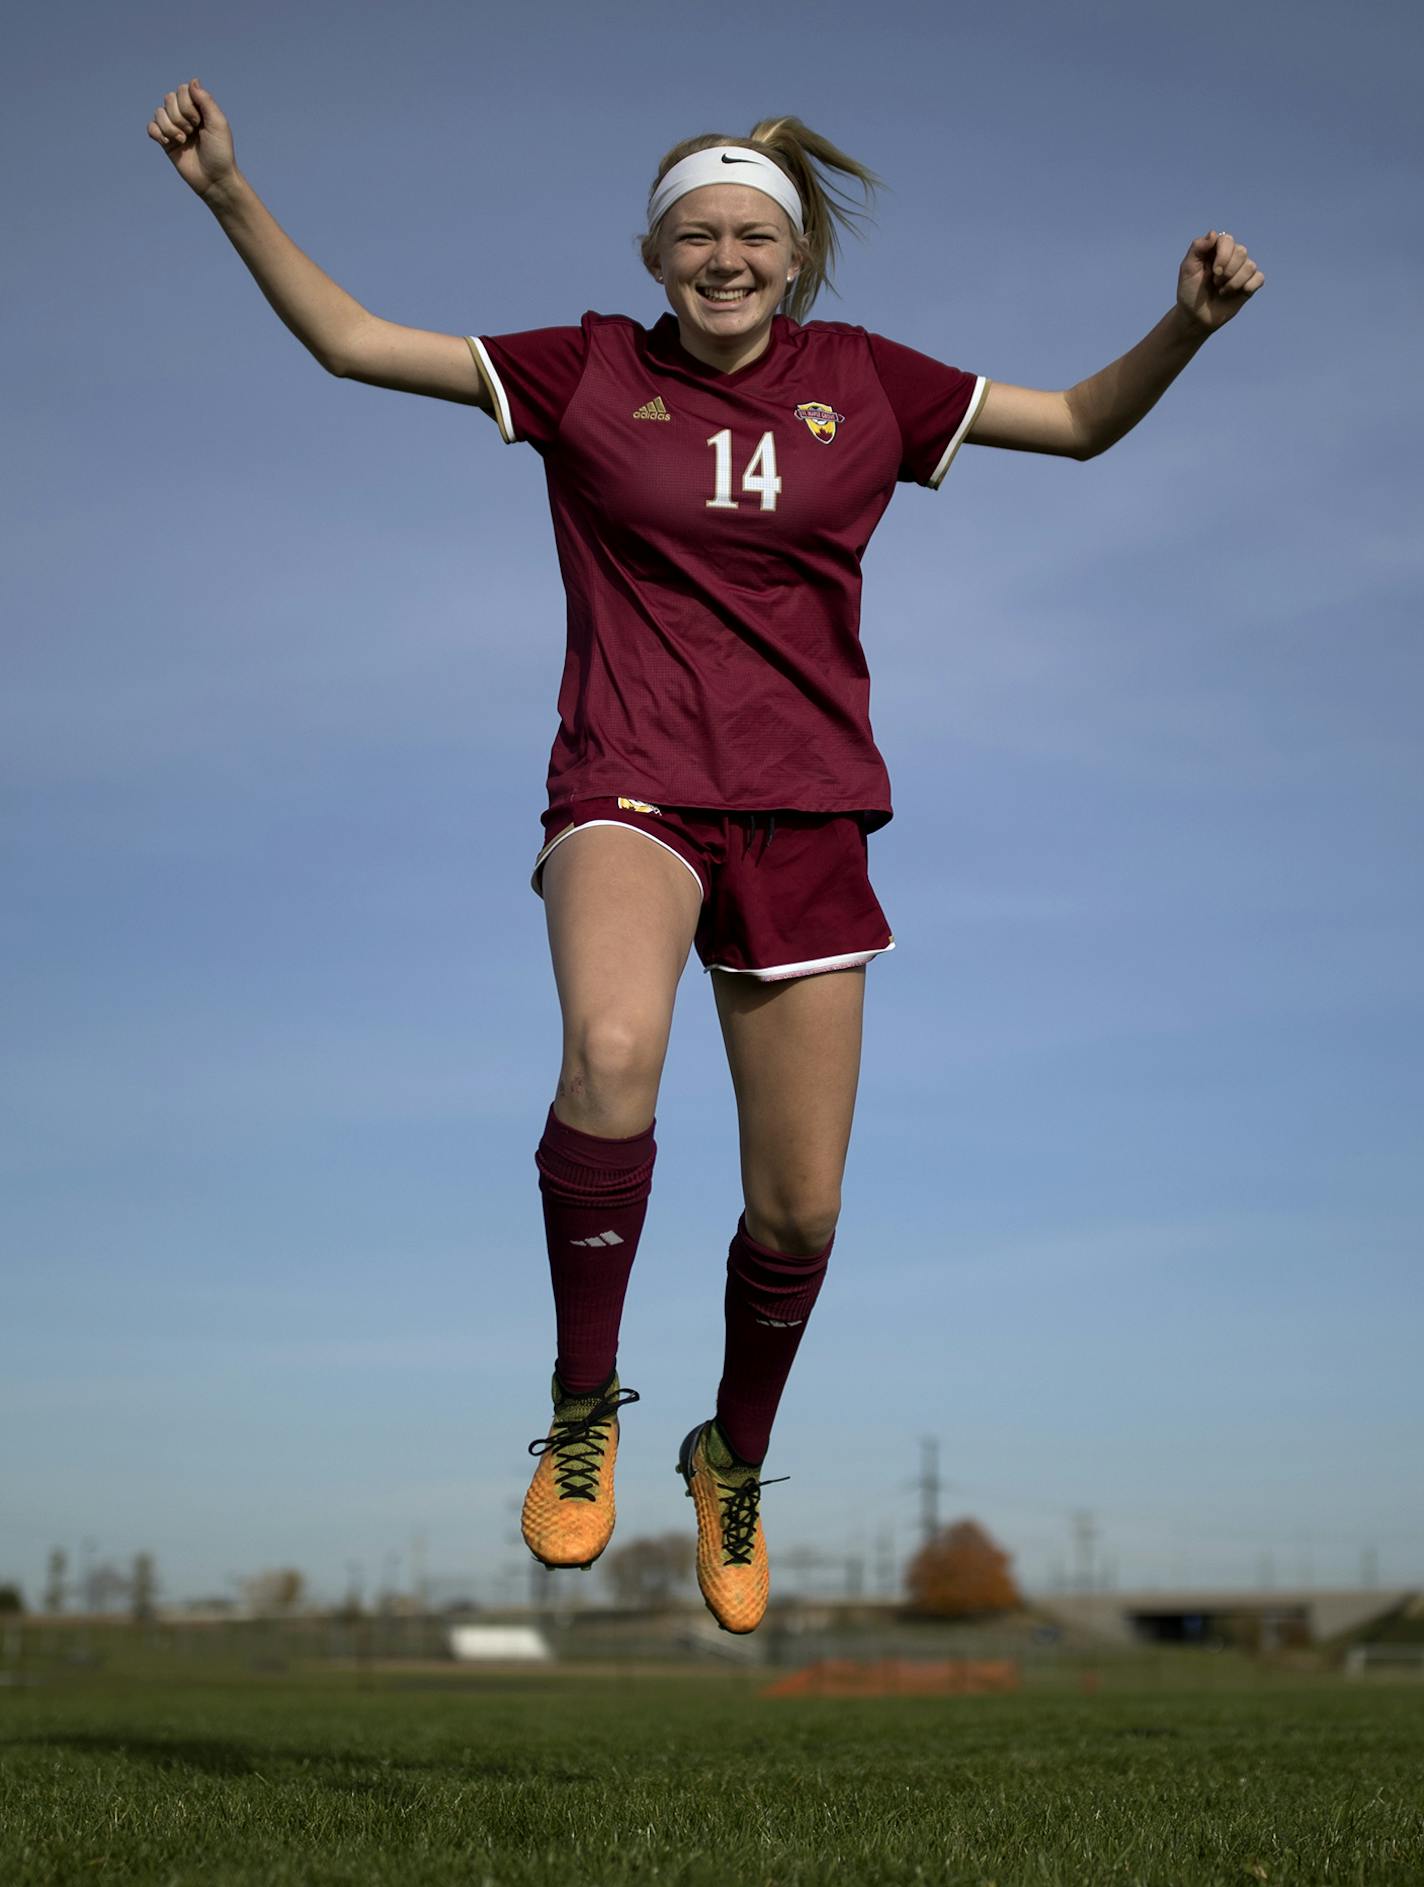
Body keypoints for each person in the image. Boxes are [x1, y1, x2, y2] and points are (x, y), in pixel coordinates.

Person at [148, 81, 1264, 1634]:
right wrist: (228, 192)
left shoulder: (865, 385)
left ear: (794, 261)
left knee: (798, 1213)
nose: (724, 257)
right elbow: (352, 340)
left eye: (752, 235)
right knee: (610, 1055)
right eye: (696, 235)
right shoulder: (591, 368)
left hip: (808, 812)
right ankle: (584, 1404)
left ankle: (730, 1454)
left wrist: (1187, 325)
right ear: (655, 252)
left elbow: (1075, 424)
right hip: (630, 783)